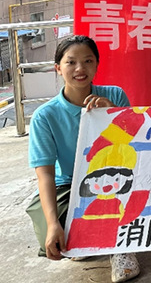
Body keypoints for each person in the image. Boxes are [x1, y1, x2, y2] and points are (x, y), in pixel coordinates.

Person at [26, 35, 140, 282]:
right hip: (70, 185)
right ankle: (85, 239)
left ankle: (121, 249)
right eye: (71, 62)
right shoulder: (45, 116)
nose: (80, 69)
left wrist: (112, 115)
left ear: (97, 65)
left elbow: (135, 146)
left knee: (140, 200)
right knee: (55, 236)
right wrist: (53, 224)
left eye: (88, 61)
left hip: (117, 176)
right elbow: (45, 175)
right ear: (58, 68)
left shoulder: (115, 95)